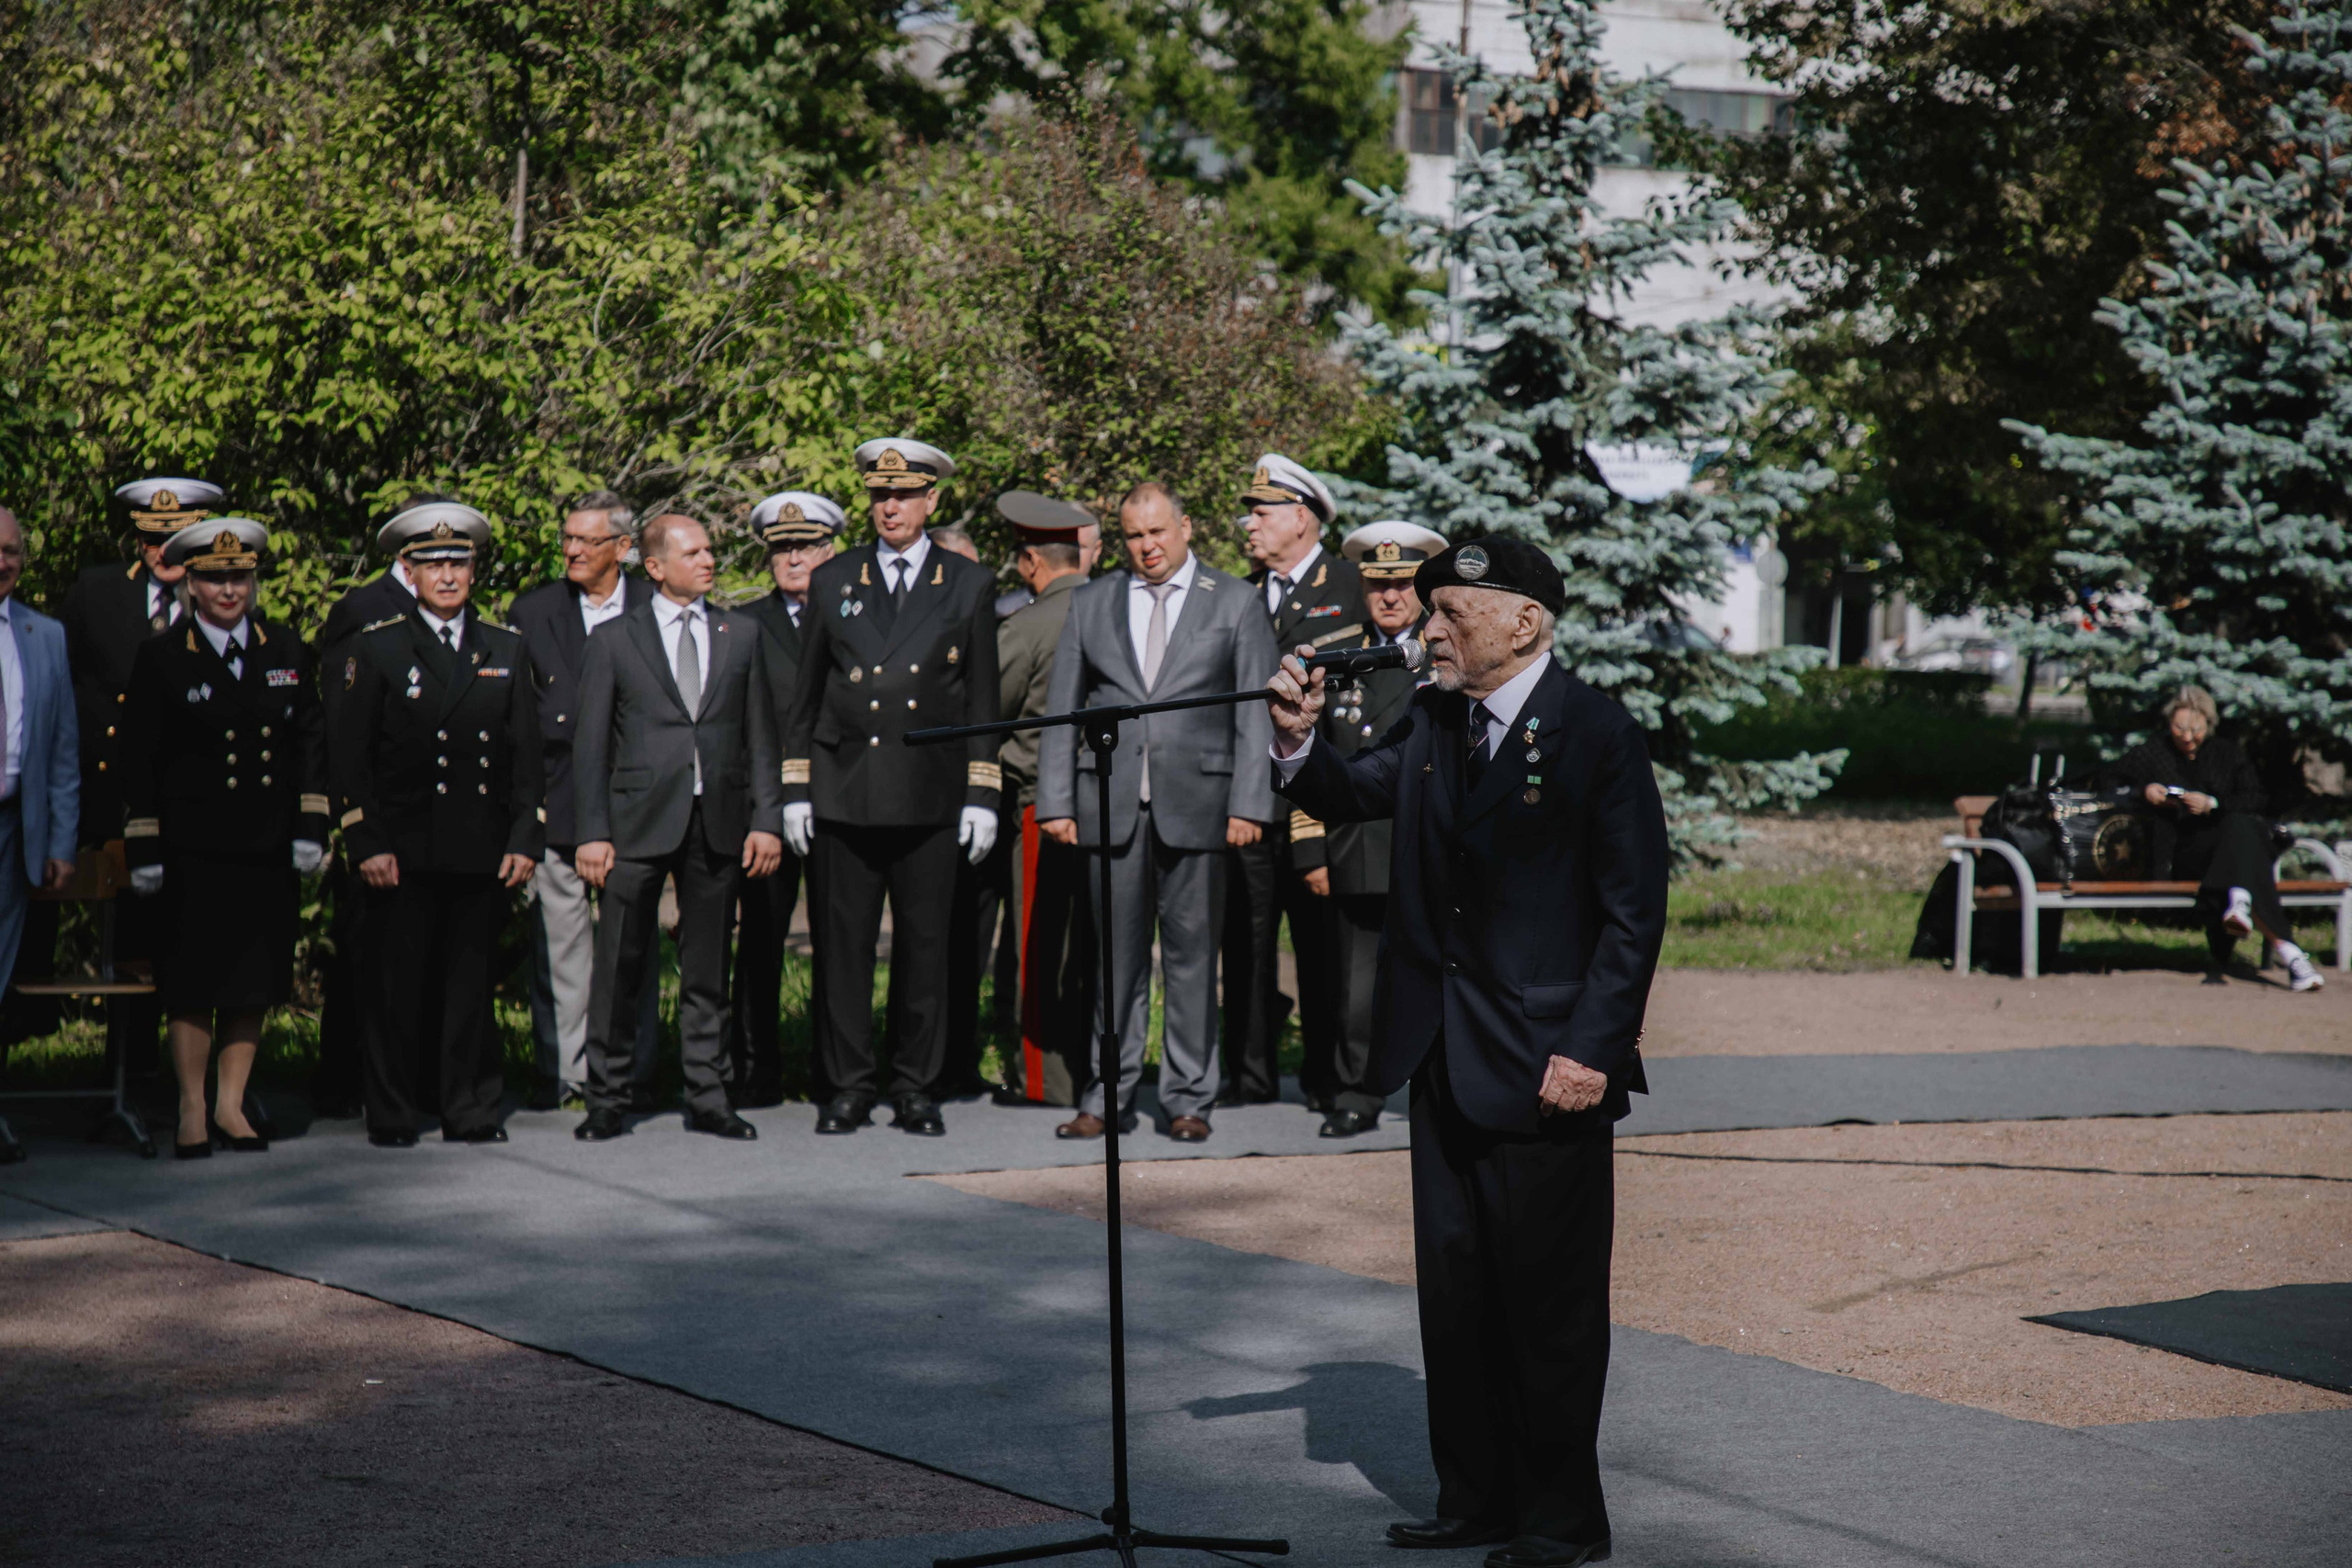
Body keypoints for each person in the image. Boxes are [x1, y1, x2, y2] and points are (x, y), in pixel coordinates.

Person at [1267, 536, 1668, 1568]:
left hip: (1548, 1065)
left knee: (1549, 1302)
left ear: (1523, 621)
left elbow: (1633, 912)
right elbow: (1354, 790)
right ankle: (1475, 1499)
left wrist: (1592, 1048)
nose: (1429, 628)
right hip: (1442, 1051)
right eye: (1429, 609)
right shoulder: (1438, 717)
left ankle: (1561, 1519)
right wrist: (1296, 745)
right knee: (1456, 1293)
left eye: (1451, 612)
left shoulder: (1594, 731)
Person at [1037, 482, 1277, 1142]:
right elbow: (1062, 709)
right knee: (1112, 961)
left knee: (1193, 960)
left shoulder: (1235, 601)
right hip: (1108, 803)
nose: (1147, 546)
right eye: (1135, 535)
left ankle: (1189, 1097)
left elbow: (1255, 712)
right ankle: (1105, 1093)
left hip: (1203, 804)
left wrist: (1250, 802)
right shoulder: (1092, 602)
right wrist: (1055, 799)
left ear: (1186, 527)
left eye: (1158, 532)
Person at [781, 438, 1002, 1138]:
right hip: (845, 790)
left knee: (925, 950)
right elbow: (807, 695)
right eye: (880, 495)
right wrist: (796, 787)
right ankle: (847, 1086)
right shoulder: (833, 578)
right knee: (842, 951)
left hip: (930, 794)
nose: (891, 507)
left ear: (931, 500)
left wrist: (982, 794)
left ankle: (915, 1086)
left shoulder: (967, 583)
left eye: (904, 495)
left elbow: (983, 701)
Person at [333, 502, 544, 1146]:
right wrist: (365, 839)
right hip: (402, 848)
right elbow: (350, 758)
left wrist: (525, 837)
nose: (447, 576)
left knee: (469, 987)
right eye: (433, 564)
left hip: (479, 845)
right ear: (410, 571)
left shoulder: (506, 647)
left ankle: (469, 1107)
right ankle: (393, 1111)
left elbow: (525, 757)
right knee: (396, 988)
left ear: (473, 570)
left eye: (458, 563)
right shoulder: (378, 647)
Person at [571, 513, 786, 1143]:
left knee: (708, 968)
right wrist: (592, 831)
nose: (709, 560)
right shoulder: (615, 639)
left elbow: (761, 737)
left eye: (710, 550)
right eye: (693, 552)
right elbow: (591, 745)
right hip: (635, 823)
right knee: (619, 965)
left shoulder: (740, 634)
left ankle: (709, 1095)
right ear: (655, 566)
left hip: (716, 821)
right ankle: (607, 1098)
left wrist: (766, 820)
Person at [122, 519, 331, 1159]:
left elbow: (312, 745)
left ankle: (231, 1104)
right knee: (191, 981)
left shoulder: (287, 649)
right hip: (192, 849)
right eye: (216, 579)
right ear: (191, 583)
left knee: (253, 979)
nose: (230, 590)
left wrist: (311, 827)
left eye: (240, 576)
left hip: (265, 846)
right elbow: (139, 756)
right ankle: (192, 1106)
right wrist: (144, 846)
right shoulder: (162, 656)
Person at [56, 478, 214, 1101]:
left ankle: (188, 1080)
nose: (163, 552)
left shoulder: (219, 597)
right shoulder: (96, 593)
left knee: (188, 938)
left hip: (195, 801)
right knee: (126, 942)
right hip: (113, 798)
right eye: (151, 539)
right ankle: (124, 1073)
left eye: (175, 539)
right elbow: (62, 687)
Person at [507, 491, 662, 1110]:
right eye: (567, 537)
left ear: (622, 548)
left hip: (639, 806)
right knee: (562, 947)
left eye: (586, 540)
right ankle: (569, 1073)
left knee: (633, 948)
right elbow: (519, 719)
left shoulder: (656, 604)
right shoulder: (533, 611)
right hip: (560, 800)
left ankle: (632, 1070)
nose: (572, 550)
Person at [1296, 521, 1448, 1137]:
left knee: (1438, 972)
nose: (1390, 596)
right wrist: (1310, 846)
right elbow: (1311, 753)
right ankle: (1357, 1090)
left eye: (1403, 584)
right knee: (1356, 985)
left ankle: (1442, 1084)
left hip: (1428, 843)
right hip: (1356, 845)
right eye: (1377, 584)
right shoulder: (1334, 655)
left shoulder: (1446, 653)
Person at [1225, 452, 1363, 1111]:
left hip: (1322, 801)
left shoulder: (1352, 587)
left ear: (1302, 518)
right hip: (1250, 804)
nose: (1249, 524)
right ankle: (1248, 1076)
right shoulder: (1240, 594)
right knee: (1244, 941)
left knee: (1324, 945)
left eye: (1261, 512)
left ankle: (1329, 1077)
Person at [310, 498, 427, 1119]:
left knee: (419, 957)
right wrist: (355, 820)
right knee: (365, 953)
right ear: (406, 552)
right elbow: (342, 721)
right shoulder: (363, 609)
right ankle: (345, 1082)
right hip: (377, 813)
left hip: (433, 815)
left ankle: (415, 1082)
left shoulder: (449, 607)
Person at [981, 491, 1097, 1106]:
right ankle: (1098, 1068)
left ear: (1031, 562)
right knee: (1099, 941)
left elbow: (990, 713)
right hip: (1112, 799)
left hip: (1038, 802)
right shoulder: (1116, 611)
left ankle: (1045, 1079)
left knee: (1040, 942)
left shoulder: (1025, 626)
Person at [726, 490, 840, 1106]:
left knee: (839, 943)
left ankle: (835, 1073)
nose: (794, 559)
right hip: (768, 807)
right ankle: (754, 1071)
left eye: (807, 547)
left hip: (839, 804)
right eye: (782, 549)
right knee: (761, 944)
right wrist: (763, 812)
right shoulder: (744, 625)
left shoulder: (853, 615)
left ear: (831, 551)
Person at [2113, 684, 2324, 992]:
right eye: (2179, 728)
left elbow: (2256, 799)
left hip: (2228, 849)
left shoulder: (2227, 753)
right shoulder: (2153, 753)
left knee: (2239, 825)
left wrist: (2213, 804)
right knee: (2246, 846)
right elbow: (2109, 782)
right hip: (2184, 852)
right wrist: (2144, 792)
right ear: (2169, 723)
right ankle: (2260, 921)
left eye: (2196, 729)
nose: (2187, 737)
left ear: (2209, 725)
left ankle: (2281, 944)